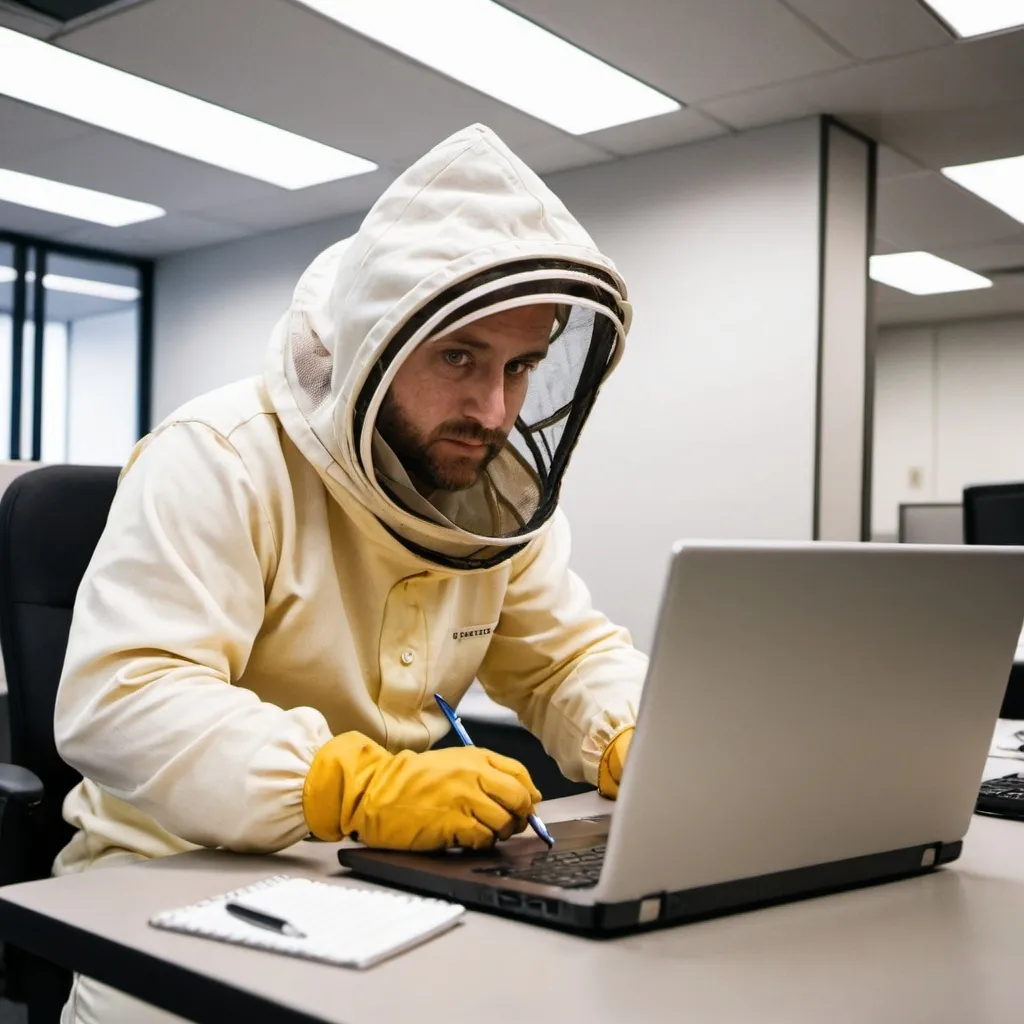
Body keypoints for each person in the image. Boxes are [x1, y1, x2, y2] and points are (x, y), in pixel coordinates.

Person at [53, 123, 647, 1023]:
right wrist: (347, 784)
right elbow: (122, 698)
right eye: (460, 358)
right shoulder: (221, 457)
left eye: (520, 367)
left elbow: (563, 659)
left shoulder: (491, 499)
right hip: (166, 892)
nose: (493, 411)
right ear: (376, 339)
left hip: (387, 887)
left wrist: (636, 736)